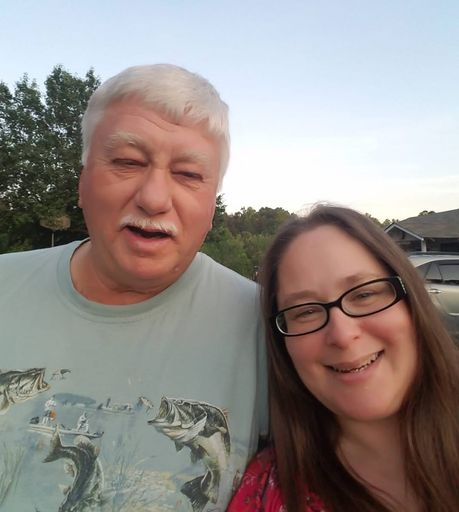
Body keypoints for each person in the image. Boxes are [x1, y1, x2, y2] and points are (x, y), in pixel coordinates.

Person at [0, 64, 266, 511]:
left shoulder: (271, 331)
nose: (154, 198)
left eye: (188, 174)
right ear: (82, 182)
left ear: (212, 204)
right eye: (127, 162)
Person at [229, 205, 459, 512]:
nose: (342, 334)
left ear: (410, 300)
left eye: (364, 295)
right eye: (306, 312)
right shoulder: (265, 496)